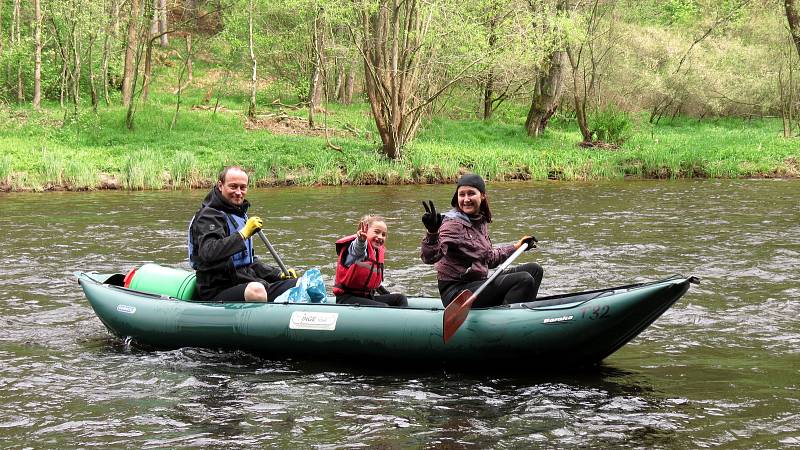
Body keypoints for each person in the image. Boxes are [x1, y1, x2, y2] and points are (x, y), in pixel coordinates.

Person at [420, 173, 543, 307]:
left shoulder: (479, 221)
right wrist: (432, 233)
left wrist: (517, 247)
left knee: (535, 270)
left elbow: (489, 259)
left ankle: (521, 310)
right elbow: (430, 258)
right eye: (462, 194)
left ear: (482, 195)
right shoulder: (453, 224)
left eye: (471, 193)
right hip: (457, 293)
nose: (466, 199)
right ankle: (506, 320)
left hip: (478, 284)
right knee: (524, 279)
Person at [187, 166, 298, 302]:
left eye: (243, 187)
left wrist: (278, 274)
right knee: (256, 290)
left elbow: (248, 261)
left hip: (244, 282)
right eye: (233, 187)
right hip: (218, 290)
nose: (238, 192)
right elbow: (209, 252)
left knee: (299, 284)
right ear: (220, 185)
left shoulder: (238, 214)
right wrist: (243, 234)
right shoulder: (208, 215)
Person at [334, 215, 408, 307]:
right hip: (347, 298)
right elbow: (357, 251)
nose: (380, 237)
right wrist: (361, 241)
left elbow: (373, 280)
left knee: (400, 298)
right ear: (365, 231)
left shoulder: (376, 251)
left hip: (366, 297)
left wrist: (386, 293)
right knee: (384, 307)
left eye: (383, 234)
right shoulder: (356, 248)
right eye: (376, 232)